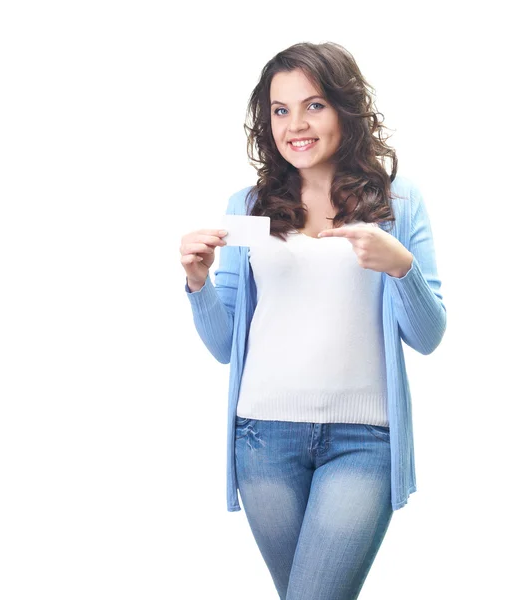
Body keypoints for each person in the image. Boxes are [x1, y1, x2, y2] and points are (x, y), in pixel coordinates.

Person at [179, 41, 446, 600]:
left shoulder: (396, 202)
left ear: (345, 110)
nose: (295, 124)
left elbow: (427, 336)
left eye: (314, 105)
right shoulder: (249, 205)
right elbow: (227, 344)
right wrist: (199, 283)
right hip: (262, 440)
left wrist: (402, 269)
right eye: (280, 110)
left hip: (363, 440)